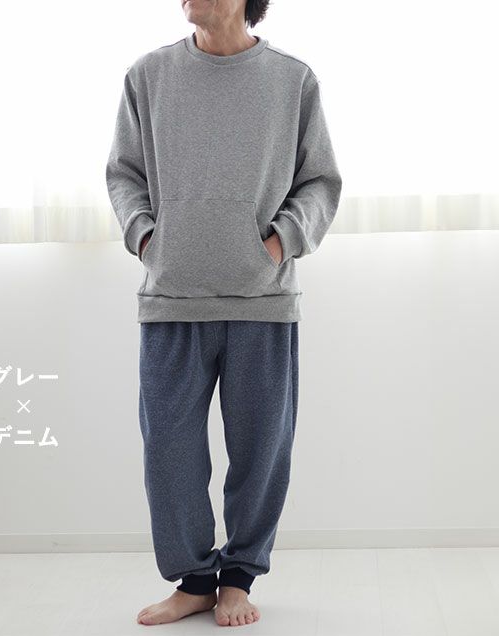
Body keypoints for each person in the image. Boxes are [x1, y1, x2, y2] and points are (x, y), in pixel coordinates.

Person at [105, 0, 342, 627]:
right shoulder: (148, 76)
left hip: (262, 301)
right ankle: (192, 581)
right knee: (170, 451)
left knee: (261, 450)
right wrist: (147, 238)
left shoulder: (292, 80)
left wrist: (280, 242)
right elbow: (124, 174)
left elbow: (320, 181)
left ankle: (238, 579)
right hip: (172, 298)